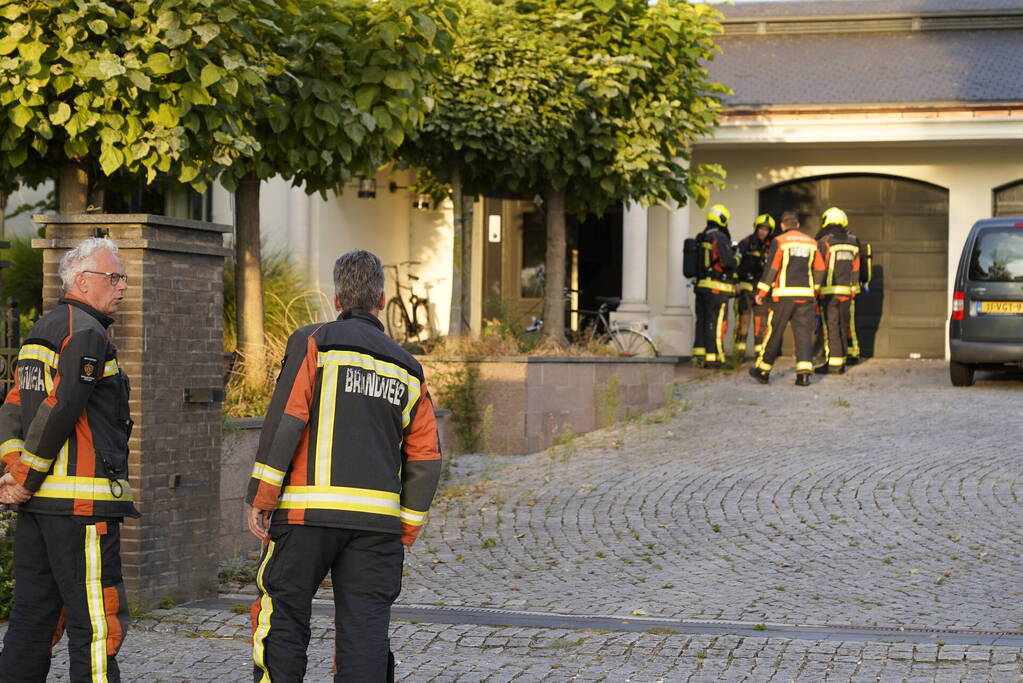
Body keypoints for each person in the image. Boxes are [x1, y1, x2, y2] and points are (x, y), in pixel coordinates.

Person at [246, 249, 442, 682]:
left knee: (284, 617)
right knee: (365, 631)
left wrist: (262, 496)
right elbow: (426, 458)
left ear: (336, 299)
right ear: (383, 300)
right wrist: (404, 526)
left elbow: (287, 421)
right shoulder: (409, 368)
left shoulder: (314, 341)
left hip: (305, 517)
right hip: (376, 526)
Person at [0, 237, 137, 682]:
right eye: (113, 276)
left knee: (32, 619)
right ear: (83, 280)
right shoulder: (87, 332)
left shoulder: (44, 328)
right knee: (96, 626)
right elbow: (61, 408)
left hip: (39, 511)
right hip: (81, 511)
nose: (123, 286)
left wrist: (12, 471)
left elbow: (13, 407)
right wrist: (22, 477)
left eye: (122, 277)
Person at [749, 212, 825, 386]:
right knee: (803, 334)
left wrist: (761, 293)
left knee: (774, 333)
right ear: (797, 225)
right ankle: (804, 374)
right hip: (805, 296)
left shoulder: (780, 241)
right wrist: (814, 290)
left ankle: (763, 371)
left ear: (782, 226)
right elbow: (820, 268)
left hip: (783, 296)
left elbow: (772, 268)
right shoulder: (812, 242)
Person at [815, 207, 861, 373]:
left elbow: (820, 266)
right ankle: (841, 360)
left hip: (829, 292)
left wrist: (816, 289)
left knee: (831, 327)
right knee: (843, 325)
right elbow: (856, 268)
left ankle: (833, 365)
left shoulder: (825, 241)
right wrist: (854, 289)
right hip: (847, 292)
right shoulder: (854, 241)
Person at [692, 204, 737, 368]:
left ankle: (699, 356)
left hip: (701, 287)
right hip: (716, 289)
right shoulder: (719, 236)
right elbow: (728, 262)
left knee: (702, 322)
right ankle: (716, 359)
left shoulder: (701, 236)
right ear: (722, 219)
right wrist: (736, 255)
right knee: (716, 324)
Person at [733, 214, 775, 357]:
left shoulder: (771, 247)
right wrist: (735, 282)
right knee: (742, 323)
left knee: (761, 324)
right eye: (761, 228)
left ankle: (760, 355)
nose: (763, 232)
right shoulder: (745, 243)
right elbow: (735, 264)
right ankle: (739, 356)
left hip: (761, 292)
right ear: (756, 228)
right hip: (745, 290)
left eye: (766, 230)